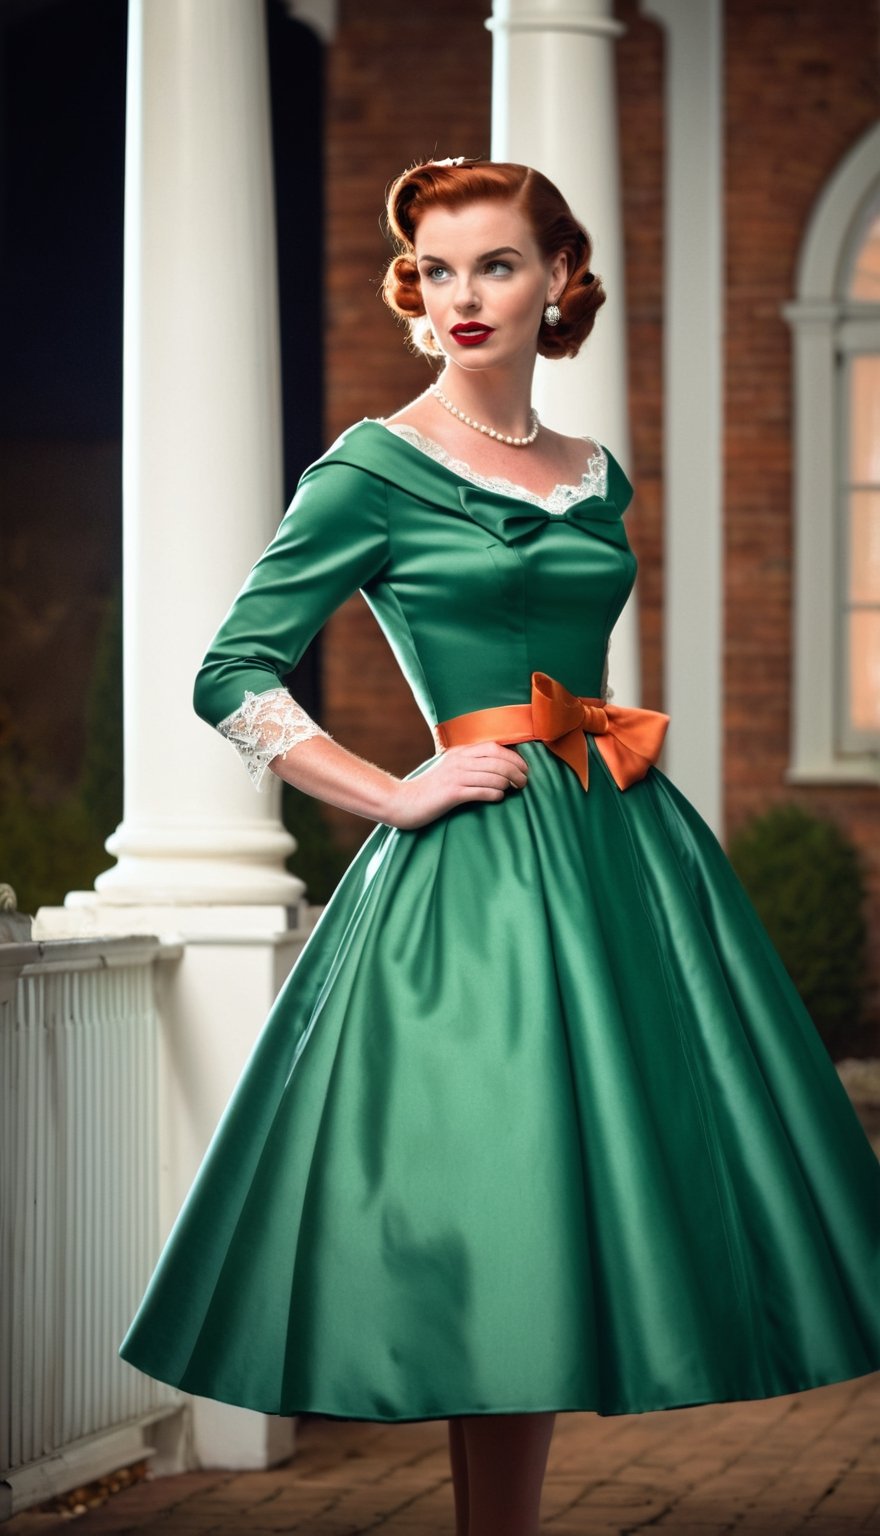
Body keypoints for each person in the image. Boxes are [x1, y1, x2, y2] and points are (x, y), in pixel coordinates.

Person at [119, 158, 880, 1536]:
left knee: (632, 1186)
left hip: (625, 846)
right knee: (504, 1194)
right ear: (418, 293)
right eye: (440, 269)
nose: (462, 295)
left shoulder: (596, 475)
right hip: (476, 868)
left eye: (497, 265)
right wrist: (388, 792)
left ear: (557, 283)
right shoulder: (369, 469)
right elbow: (232, 671)